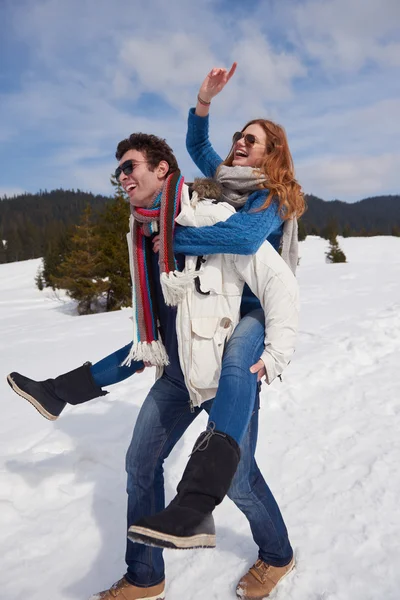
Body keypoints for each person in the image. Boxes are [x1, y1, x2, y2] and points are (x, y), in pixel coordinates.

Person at [6, 64, 305, 600]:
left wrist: (168, 240)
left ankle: (276, 553)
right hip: (190, 339)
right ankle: (145, 575)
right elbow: (196, 142)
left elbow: (239, 241)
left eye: (251, 140)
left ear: (272, 154)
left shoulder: (262, 198)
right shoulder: (218, 183)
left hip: (251, 312)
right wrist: (204, 100)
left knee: (239, 435)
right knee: (141, 446)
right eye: (238, 137)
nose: (238, 144)